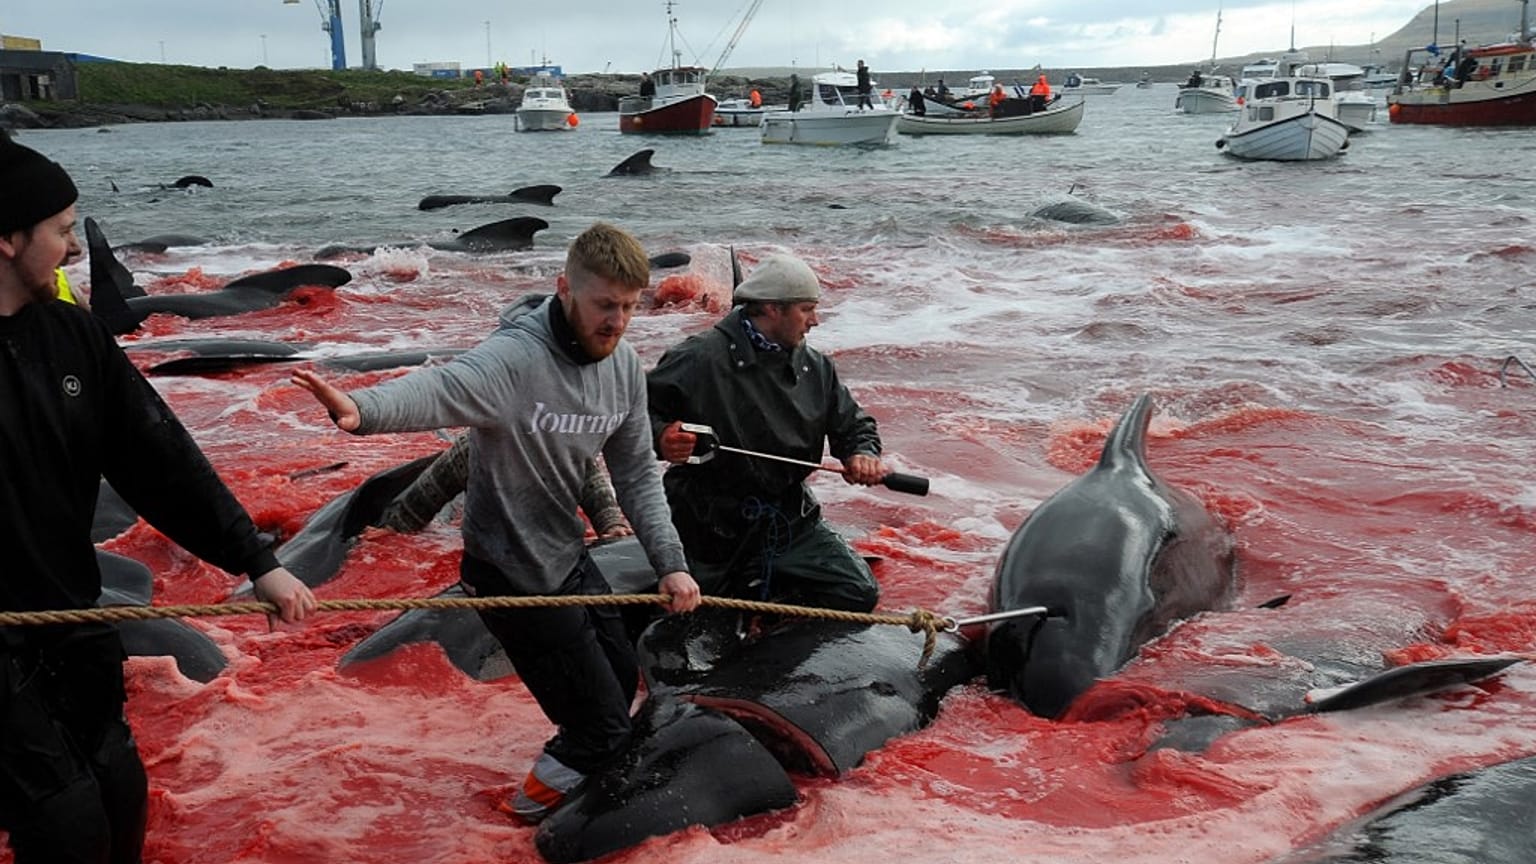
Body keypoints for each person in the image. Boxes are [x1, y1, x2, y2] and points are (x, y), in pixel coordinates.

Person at [290, 222, 700, 825]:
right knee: (599, 727)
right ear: (565, 289)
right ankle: (517, 822)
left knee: (618, 678)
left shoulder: (625, 369)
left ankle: (572, 782)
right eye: (604, 305)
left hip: (565, 556)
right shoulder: (516, 358)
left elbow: (637, 474)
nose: (616, 321)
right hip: (509, 575)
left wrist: (672, 563)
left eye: (629, 307)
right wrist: (362, 409)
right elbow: (445, 385)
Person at [0, 138, 316, 864]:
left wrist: (255, 559)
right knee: (64, 822)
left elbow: (158, 457)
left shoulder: (74, 334)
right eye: (60, 230)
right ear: (9, 237)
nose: (74, 248)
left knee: (120, 792)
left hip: (68, 614)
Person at [648, 253, 885, 615]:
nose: (815, 321)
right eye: (806, 309)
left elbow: (853, 424)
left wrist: (861, 453)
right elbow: (633, 418)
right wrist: (663, 436)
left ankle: (770, 602)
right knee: (689, 616)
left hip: (789, 517)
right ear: (772, 309)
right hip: (708, 523)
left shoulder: (816, 367)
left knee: (856, 592)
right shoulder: (698, 359)